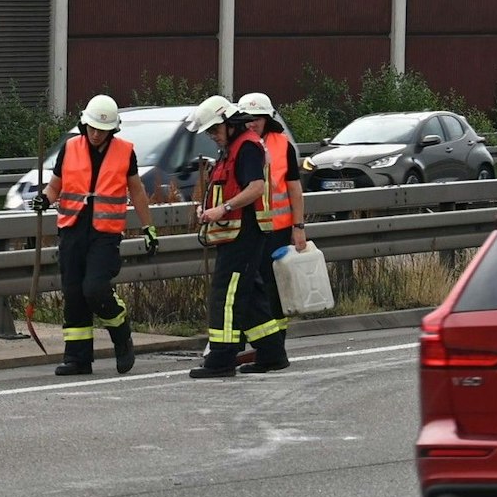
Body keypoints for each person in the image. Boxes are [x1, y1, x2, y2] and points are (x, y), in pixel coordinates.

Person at [29, 95, 160, 376]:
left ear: (112, 130)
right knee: (74, 293)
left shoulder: (125, 152)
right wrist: (44, 199)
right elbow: (55, 188)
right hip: (72, 229)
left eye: (102, 130)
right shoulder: (70, 148)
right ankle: (78, 358)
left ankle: (121, 333)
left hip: (105, 234)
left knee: (95, 289)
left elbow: (136, 192)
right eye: (92, 128)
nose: (96, 134)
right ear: (84, 124)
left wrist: (148, 227)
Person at [185, 96, 288, 379]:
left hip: (245, 233)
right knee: (251, 294)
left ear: (229, 124)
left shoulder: (247, 148)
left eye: (215, 131)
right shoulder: (233, 147)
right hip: (235, 233)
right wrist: (210, 209)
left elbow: (256, 187)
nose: (213, 137)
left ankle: (221, 358)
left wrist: (224, 208)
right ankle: (272, 353)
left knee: (226, 294)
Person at [235, 92, 303, 374]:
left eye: (257, 120)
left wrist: (299, 228)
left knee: (274, 291)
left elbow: (293, 188)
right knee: (250, 288)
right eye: (246, 120)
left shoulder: (282, 145)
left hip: (277, 229)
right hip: (248, 230)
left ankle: (275, 347)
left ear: (267, 119)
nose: (251, 125)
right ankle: (259, 346)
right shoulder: (237, 146)